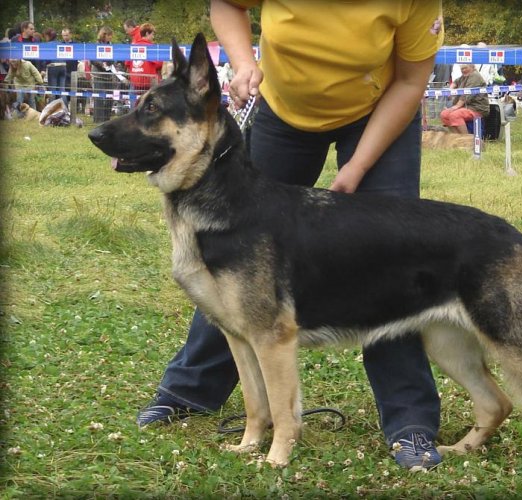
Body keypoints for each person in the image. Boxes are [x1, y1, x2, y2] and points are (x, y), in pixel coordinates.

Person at [138, 0, 445, 471]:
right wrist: (244, 63)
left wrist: (358, 166)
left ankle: (409, 423)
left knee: (391, 259)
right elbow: (226, 5)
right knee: (231, 262)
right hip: (283, 112)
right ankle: (189, 391)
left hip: (377, 110)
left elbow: (410, 80)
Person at [439, 64, 489, 134]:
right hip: (466, 107)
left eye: (465, 68)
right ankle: (457, 137)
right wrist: (451, 88)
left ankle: (466, 139)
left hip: (477, 108)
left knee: (455, 115)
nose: (463, 70)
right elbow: (456, 82)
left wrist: (456, 106)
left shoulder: (475, 76)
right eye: (462, 69)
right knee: (444, 114)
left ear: (473, 67)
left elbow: (466, 95)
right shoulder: (465, 76)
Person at [125, 23, 163, 100]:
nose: (153, 37)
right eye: (152, 34)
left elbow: (127, 63)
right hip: (148, 83)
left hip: (135, 82)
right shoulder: (152, 48)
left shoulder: (133, 47)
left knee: (134, 102)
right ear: (147, 33)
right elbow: (159, 64)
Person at [91, 26, 118, 123]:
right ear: (104, 35)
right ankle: (98, 120)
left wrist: (110, 62)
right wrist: (102, 65)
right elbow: (92, 59)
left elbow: (114, 58)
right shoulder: (96, 45)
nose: (111, 38)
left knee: (109, 98)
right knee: (99, 98)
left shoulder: (111, 45)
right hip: (98, 75)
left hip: (109, 75)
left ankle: (107, 120)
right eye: (109, 36)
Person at [42, 28, 68, 105]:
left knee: (52, 91)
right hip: (63, 66)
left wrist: (43, 67)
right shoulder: (61, 44)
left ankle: (51, 110)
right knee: (62, 91)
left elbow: (45, 59)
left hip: (53, 66)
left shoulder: (47, 45)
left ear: (47, 36)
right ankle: (65, 109)